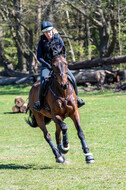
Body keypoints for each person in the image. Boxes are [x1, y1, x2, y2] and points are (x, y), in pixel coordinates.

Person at [33, 21, 85, 111]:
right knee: (42, 82)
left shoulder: (58, 39)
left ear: (52, 31)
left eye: (49, 31)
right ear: (43, 33)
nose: (48, 34)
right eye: (46, 32)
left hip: (59, 66)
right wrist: (47, 64)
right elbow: (39, 57)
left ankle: (77, 100)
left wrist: (61, 62)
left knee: (72, 79)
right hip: (47, 66)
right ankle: (40, 103)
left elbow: (63, 52)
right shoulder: (41, 42)